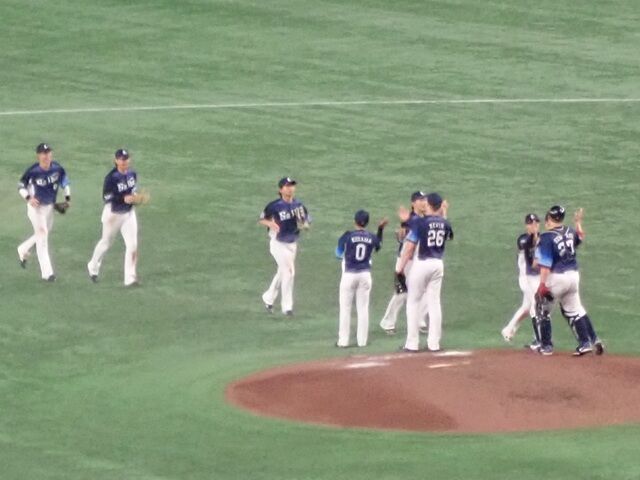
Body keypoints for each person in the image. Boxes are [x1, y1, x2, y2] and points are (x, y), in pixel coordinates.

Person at [534, 205, 604, 356]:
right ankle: (585, 343)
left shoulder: (546, 237)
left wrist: (542, 285)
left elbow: (545, 264)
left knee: (542, 308)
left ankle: (546, 347)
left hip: (557, 278)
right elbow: (580, 237)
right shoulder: (570, 231)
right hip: (573, 277)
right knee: (575, 310)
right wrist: (578, 222)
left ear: (549, 219)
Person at [396, 193, 453, 352]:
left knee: (413, 302)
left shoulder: (421, 222)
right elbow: (447, 233)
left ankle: (412, 343)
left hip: (422, 264)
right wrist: (443, 212)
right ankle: (434, 344)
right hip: (438, 264)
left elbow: (410, 248)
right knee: (435, 303)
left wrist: (400, 268)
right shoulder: (445, 223)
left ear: (429, 205)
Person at [87, 149, 143, 286]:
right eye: (121, 159)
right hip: (113, 214)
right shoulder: (111, 178)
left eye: (126, 159)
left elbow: (133, 190)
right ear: (116, 160)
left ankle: (130, 278)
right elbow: (106, 197)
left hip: (128, 213)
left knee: (132, 245)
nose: (124, 162)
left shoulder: (132, 174)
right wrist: (123, 198)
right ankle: (93, 265)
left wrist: (135, 198)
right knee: (106, 242)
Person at [17, 143, 71, 281]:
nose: (46, 156)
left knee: (43, 233)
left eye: (48, 153)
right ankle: (47, 273)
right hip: (36, 208)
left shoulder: (57, 168)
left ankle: (23, 249)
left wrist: (67, 198)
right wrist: (28, 198)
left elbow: (65, 182)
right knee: (42, 236)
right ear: (38, 156)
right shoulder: (33, 171)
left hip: (49, 207)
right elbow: (21, 186)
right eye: (43, 154)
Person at [335, 211, 387, 347]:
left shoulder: (347, 236)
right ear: (367, 222)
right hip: (365, 275)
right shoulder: (371, 237)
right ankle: (362, 341)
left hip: (349, 275)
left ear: (355, 221)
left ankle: (343, 341)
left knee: (345, 309)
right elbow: (379, 246)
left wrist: (346, 256)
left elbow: (338, 253)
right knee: (363, 309)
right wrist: (380, 229)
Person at [259, 177, 310, 316]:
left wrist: (305, 225)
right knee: (289, 272)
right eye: (287, 186)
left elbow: (306, 221)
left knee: (282, 272)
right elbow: (262, 219)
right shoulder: (274, 205)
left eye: (292, 185)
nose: (290, 188)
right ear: (281, 190)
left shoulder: (298, 205)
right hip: (278, 243)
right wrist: (270, 223)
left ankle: (268, 297)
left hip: (292, 243)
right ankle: (287, 307)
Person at [501, 213, 541, 347]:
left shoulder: (541, 238)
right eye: (531, 223)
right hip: (526, 279)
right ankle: (538, 339)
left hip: (536, 278)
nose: (534, 225)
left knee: (526, 307)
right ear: (526, 225)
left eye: (536, 223)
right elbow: (531, 245)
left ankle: (508, 329)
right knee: (535, 307)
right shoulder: (523, 239)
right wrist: (536, 237)